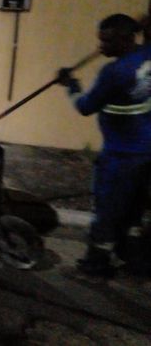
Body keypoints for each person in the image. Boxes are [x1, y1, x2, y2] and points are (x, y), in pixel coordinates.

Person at [57, 14, 151, 278]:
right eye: (100, 41)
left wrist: (71, 85)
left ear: (126, 38)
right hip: (146, 151)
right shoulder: (147, 55)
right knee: (133, 211)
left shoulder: (114, 72)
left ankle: (95, 266)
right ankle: (136, 264)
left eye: (108, 41)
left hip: (121, 155)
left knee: (107, 211)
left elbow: (85, 107)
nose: (101, 48)